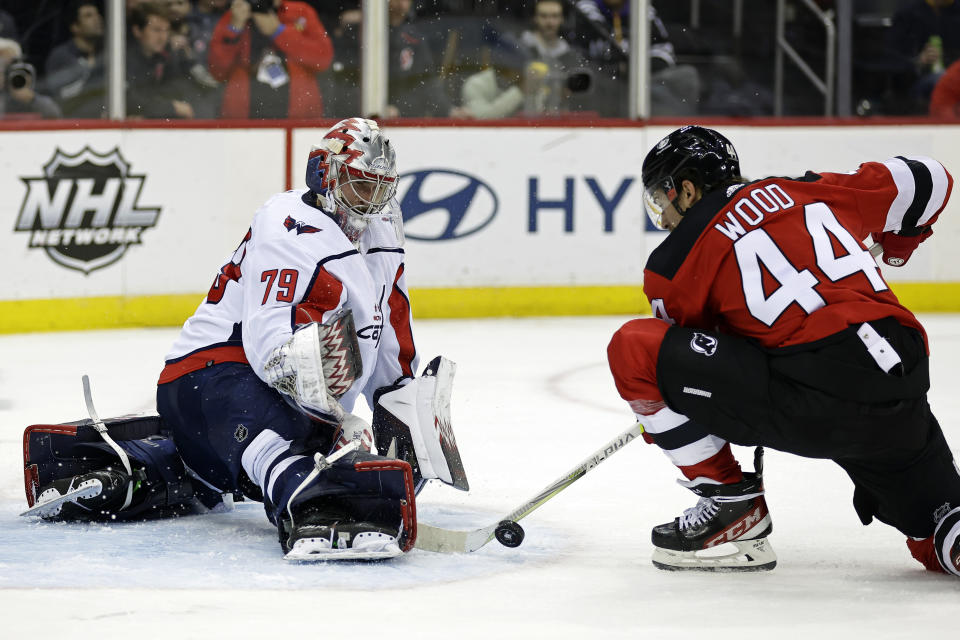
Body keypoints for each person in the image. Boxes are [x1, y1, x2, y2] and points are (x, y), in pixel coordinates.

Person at [606, 125, 960, 576]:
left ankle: (730, 501)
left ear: (688, 190)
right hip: (902, 377)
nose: (664, 215)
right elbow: (932, 178)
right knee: (941, 527)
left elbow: (691, 370)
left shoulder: (671, 263)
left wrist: (662, 415)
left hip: (816, 398)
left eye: (663, 198)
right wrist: (897, 244)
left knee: (634, 349)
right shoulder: (810, 190)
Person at [207, 0, 333, 119]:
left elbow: (323, 60)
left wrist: (278, 31)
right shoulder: (235, 14)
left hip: (299, 117)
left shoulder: (301, 12)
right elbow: (217, 71)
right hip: (242, 118)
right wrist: (234, 29)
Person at [571, 0, 699, 116]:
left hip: (642, 82)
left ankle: (674, 124)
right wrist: (611, 66)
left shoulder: (643, 10)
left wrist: (638, 69)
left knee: (687, 76)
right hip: (602, 83)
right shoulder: (585, 11)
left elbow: (663, 51)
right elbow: (576, 54)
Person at [126, 2, 197, 119]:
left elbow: (181, 93)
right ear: (137, 31)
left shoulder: (168, 56)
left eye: (166, 30)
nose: (162, 37)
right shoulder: (121, 60)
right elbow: (128, 100)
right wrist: (171, 107)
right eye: (156, 30)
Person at [43, 0, 106, 119]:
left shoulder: (108, 54)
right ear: (75, 27)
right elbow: (63, 100)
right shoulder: (60, 57)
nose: (97, 19)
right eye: (88, 16)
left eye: (97, 14)